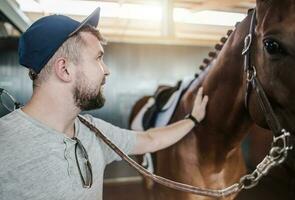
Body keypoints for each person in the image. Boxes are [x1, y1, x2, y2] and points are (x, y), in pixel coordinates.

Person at [0, 7, 209, 200]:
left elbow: (150, 139)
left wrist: (192, 119)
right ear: (65, 69)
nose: (106, 69)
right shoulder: (5, 144)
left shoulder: (93, 131)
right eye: (98, 58)